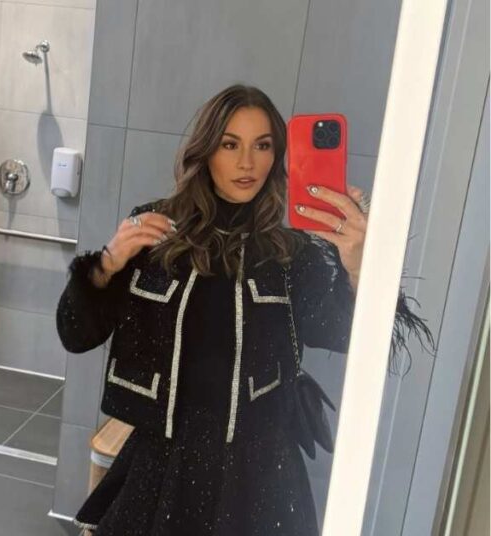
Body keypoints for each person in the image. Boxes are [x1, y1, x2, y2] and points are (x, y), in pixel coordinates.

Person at [57, 85, 428, 535]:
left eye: (263, 145)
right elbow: (75, 335)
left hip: (260, 470)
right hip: (166, 461)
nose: (247, 163)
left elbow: (351, 337)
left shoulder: (293, 253)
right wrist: (106, 264)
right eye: (230, 144)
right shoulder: (156, 233)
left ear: (277, 156)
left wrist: (360, 267)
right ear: (206, 149)